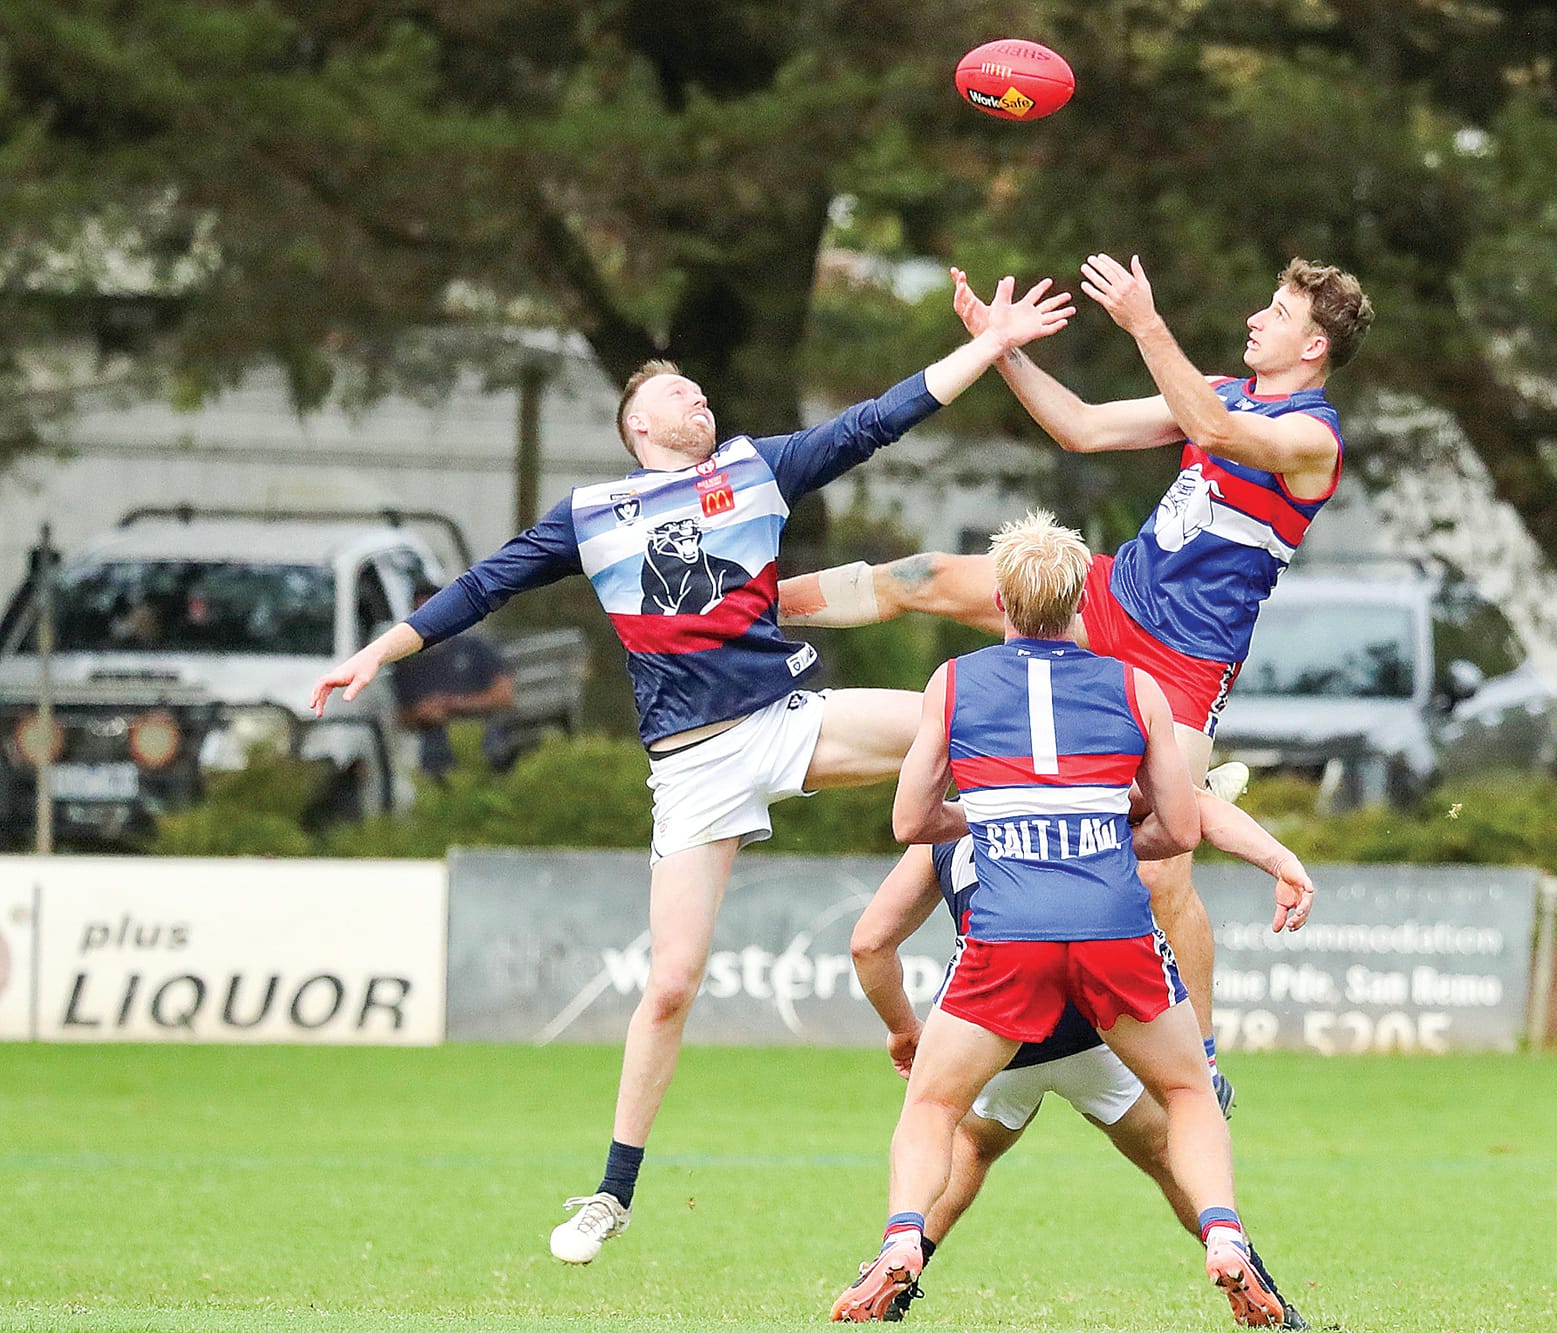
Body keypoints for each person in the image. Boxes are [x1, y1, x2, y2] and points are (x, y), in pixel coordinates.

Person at [307, 276, 1075, 1264]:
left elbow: (881, 417)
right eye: (674, 393)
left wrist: (991, 344)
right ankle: (611, 1193)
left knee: (956, 713)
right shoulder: (592, 513)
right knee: (669, 983)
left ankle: (1123, 814)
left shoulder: (757, 469)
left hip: (784, 719)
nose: (695, 399)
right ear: (635, 426)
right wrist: (380, 652)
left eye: (700, 392)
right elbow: (483, 584)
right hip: (693, 768)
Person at [780, 255, 1374, 1114]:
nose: (1257, 317)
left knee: (1168, 865)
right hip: (1109, 597)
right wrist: (1000, 347)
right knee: (923, 575)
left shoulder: (1313, 438)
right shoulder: (1221, 390)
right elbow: (1084, 427)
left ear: (1313, 344)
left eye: (1277, 311)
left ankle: (1199, 1064)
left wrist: (1145, 322)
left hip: (1183, 661)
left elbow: (1211, 432)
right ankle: (753, 612)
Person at [830, 513, 1287, 1326]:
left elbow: (910, 819)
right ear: (1082, 599)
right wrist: (1112, 830)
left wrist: (994, 819)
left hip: (1010, 937)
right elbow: (1183, 827)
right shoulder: (1134, 685)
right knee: (1188, 1090)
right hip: (1113, 926)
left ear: (1001, 600)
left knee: (934, 1110)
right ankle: (1224, 1236)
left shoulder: (956, 683)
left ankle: (903, 1238)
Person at [848, 788, 1316, 1327]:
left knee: (965, 1141)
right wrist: (1279, 860)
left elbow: (869, 944)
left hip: (1000, 1012)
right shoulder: (1093, 775)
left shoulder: (958, 809)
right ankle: (1239, 1255)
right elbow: (1195, 816)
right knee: (1178, 1130)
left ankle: (904, 1246)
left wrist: (903, 1029)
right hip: (1097, 1023)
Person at [390, 581, 516, 777]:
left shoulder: (474, 648)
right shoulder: (408, 664)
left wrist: (454, 704)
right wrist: (422, 714)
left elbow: (504, 696)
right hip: (435, 748)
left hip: (482, 738)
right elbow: (400, 717)